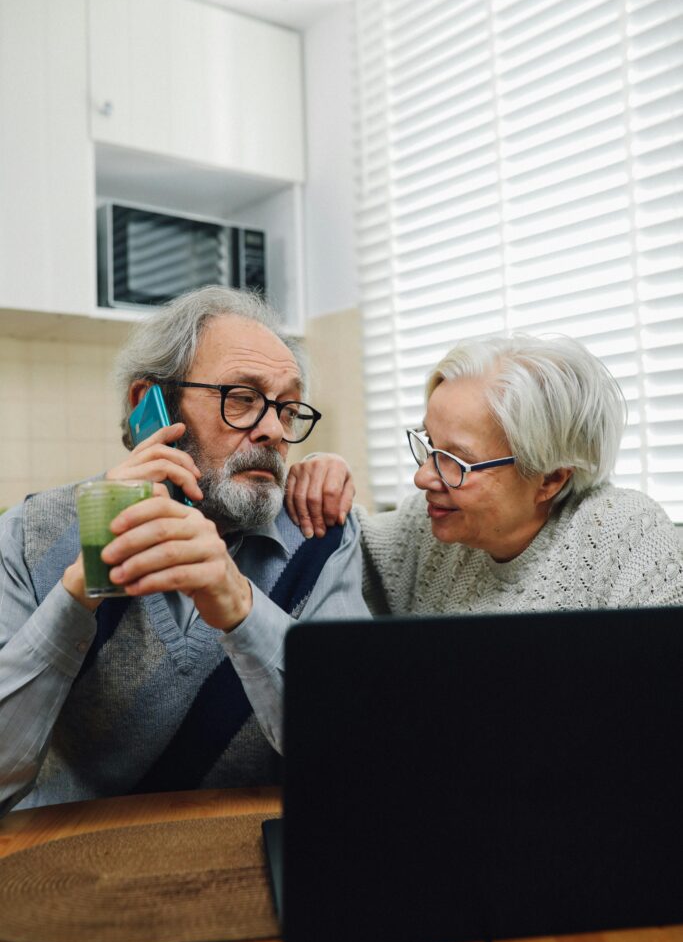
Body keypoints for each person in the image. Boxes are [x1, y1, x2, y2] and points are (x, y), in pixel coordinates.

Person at [0, 287, 368, 815]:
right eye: (241, 398)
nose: (272, 431)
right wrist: (76, 594)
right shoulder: (30, 532)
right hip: (67, 865)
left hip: (249, 861)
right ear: (148, 405)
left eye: (288, 409)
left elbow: (354, 749)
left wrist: (242, 607)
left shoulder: (320, 533)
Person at [286, 333, 683, 614]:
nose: (423, 478)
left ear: (550, 479)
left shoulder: (629, 539)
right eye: (428, 444)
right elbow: (340, 543)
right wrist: (324, 471)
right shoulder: (426, 527)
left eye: (456, 461)